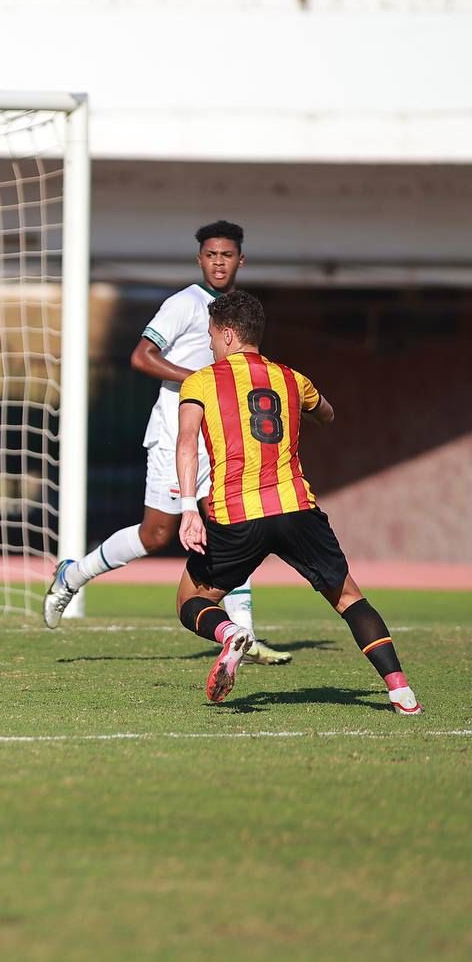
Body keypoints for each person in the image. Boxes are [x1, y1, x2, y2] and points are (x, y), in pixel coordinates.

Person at [44, 220, 290, 665]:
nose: (219, 262)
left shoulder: (239, 312)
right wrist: (199, 379)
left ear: (241, 260)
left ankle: (245, 635)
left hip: (218, 439)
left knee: (234, 524)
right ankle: (73, 574)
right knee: (155, 534)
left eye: (227, 254)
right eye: (211, 254)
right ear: (200, 259)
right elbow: (142, 356)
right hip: (174, 436)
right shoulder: (184, 303)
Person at [174, 289, 422, 714]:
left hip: (237, 514)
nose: (211, 345)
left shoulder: (200, 380)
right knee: (349, 599)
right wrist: (306, 408)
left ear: (230, 335)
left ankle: (229, 632)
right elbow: (327, 412)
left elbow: (185, 444)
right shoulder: (291, 377)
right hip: (297, 509)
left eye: (212, 336)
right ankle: (400, 690)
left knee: (190, 601)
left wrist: (187, 509)